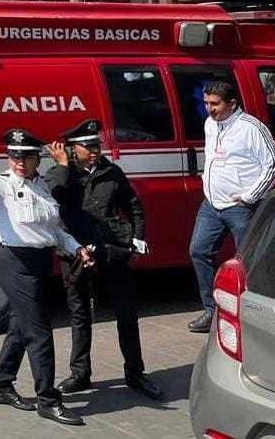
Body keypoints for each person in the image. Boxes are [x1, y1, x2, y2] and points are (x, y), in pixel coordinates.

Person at [0, 129, 92, 427]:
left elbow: (53, 231)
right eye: (14, 155)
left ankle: (2, 386)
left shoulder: (42, 186)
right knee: (39, 332)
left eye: (26, 156)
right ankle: (48, 400)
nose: (19, 162)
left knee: (19, 327)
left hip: (41, 263)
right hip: (14, 263)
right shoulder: (0, 185)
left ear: (36, 159)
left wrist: (76, 248)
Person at [45, 119, 162, 401]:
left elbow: (133, 206)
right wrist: (61, 165)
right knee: (80, 314)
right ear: (72, 149)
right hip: (75, 253)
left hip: (112, 250)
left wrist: (137, 240)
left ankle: (135, 373)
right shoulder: (61, 174)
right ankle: (80, 373)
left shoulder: (112, 172)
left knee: (126, 313)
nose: (95, 150)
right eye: (88, 147)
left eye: (96, 145)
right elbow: (53, 199)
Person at [187, 80, 275, 333]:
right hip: (212, 203)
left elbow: (273, 163)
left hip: (240, 207)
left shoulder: (251, 128)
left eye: (215, 104)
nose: (210, 109)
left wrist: (250, 197)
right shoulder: (210, 124)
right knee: (198, 251)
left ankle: (250, 317)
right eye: (206, 103)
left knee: (246, 261)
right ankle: (211, 309)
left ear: (232, 103)